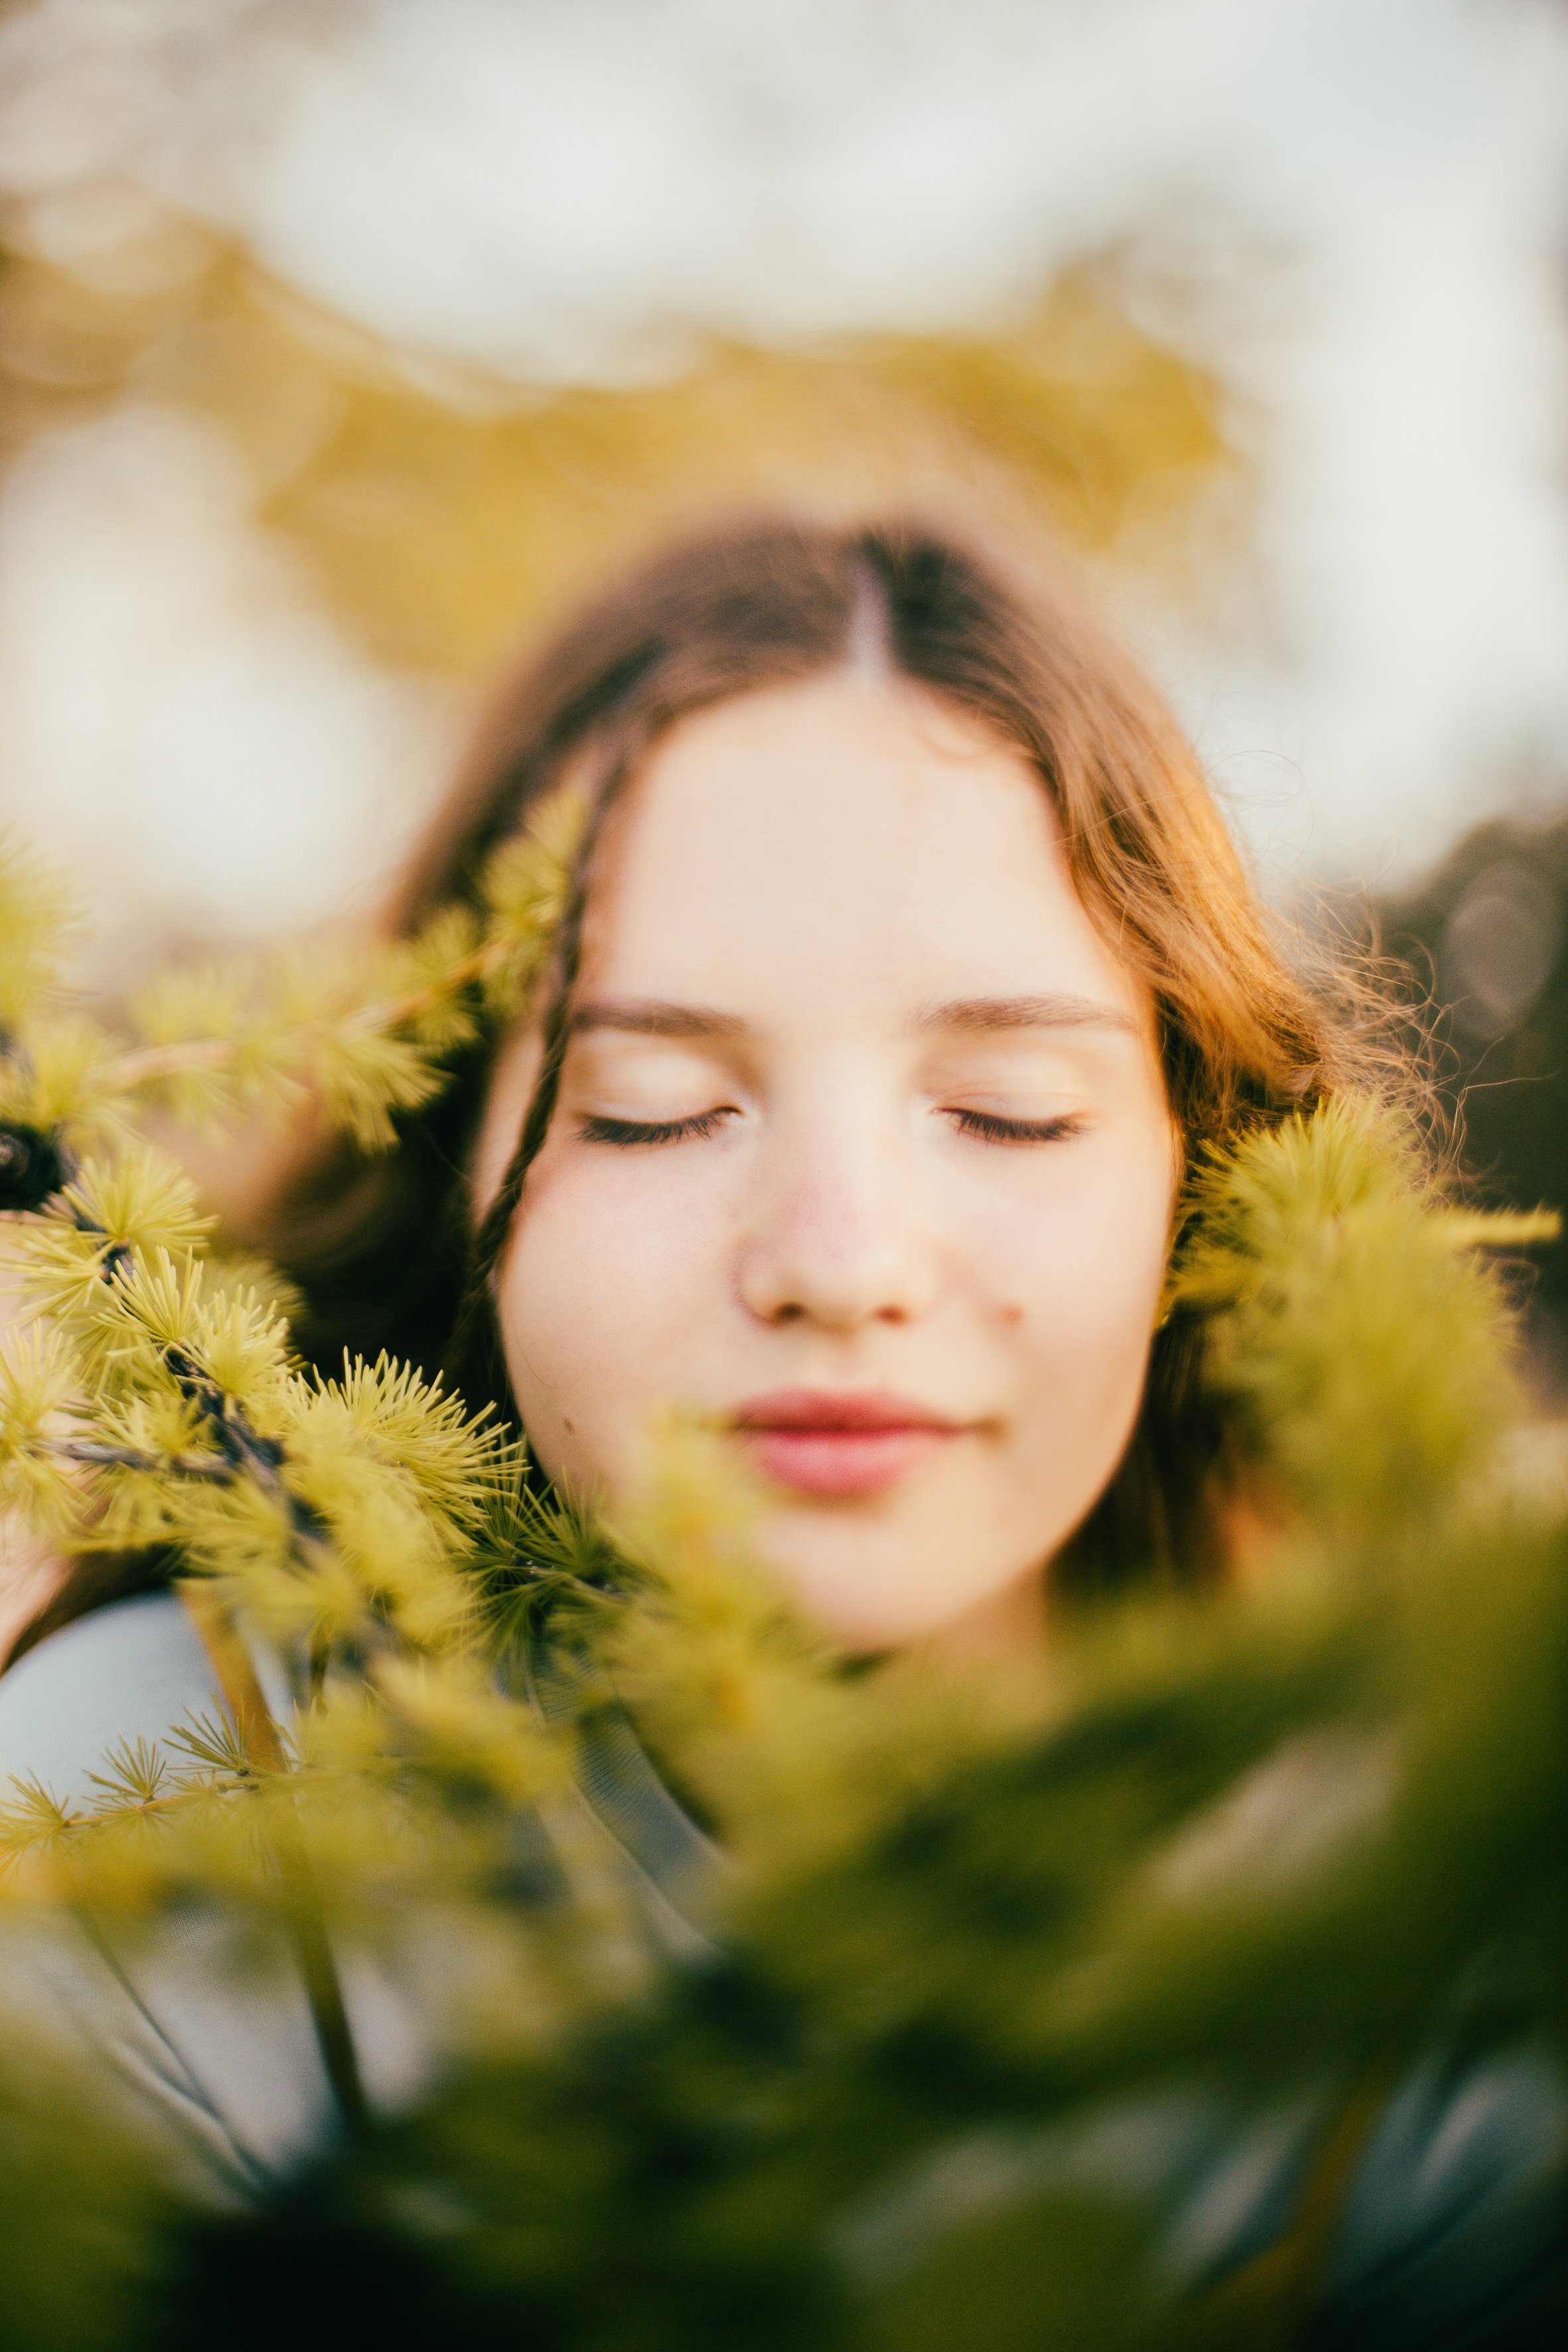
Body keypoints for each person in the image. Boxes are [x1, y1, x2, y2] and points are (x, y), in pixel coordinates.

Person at [0, 516, 1560, 2331]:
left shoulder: (1447, 1916)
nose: (840, 1263)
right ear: (451, 1162)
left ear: (1203, 1177)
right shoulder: (145, 1829)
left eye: (1005, 1109)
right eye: (655, 1108)